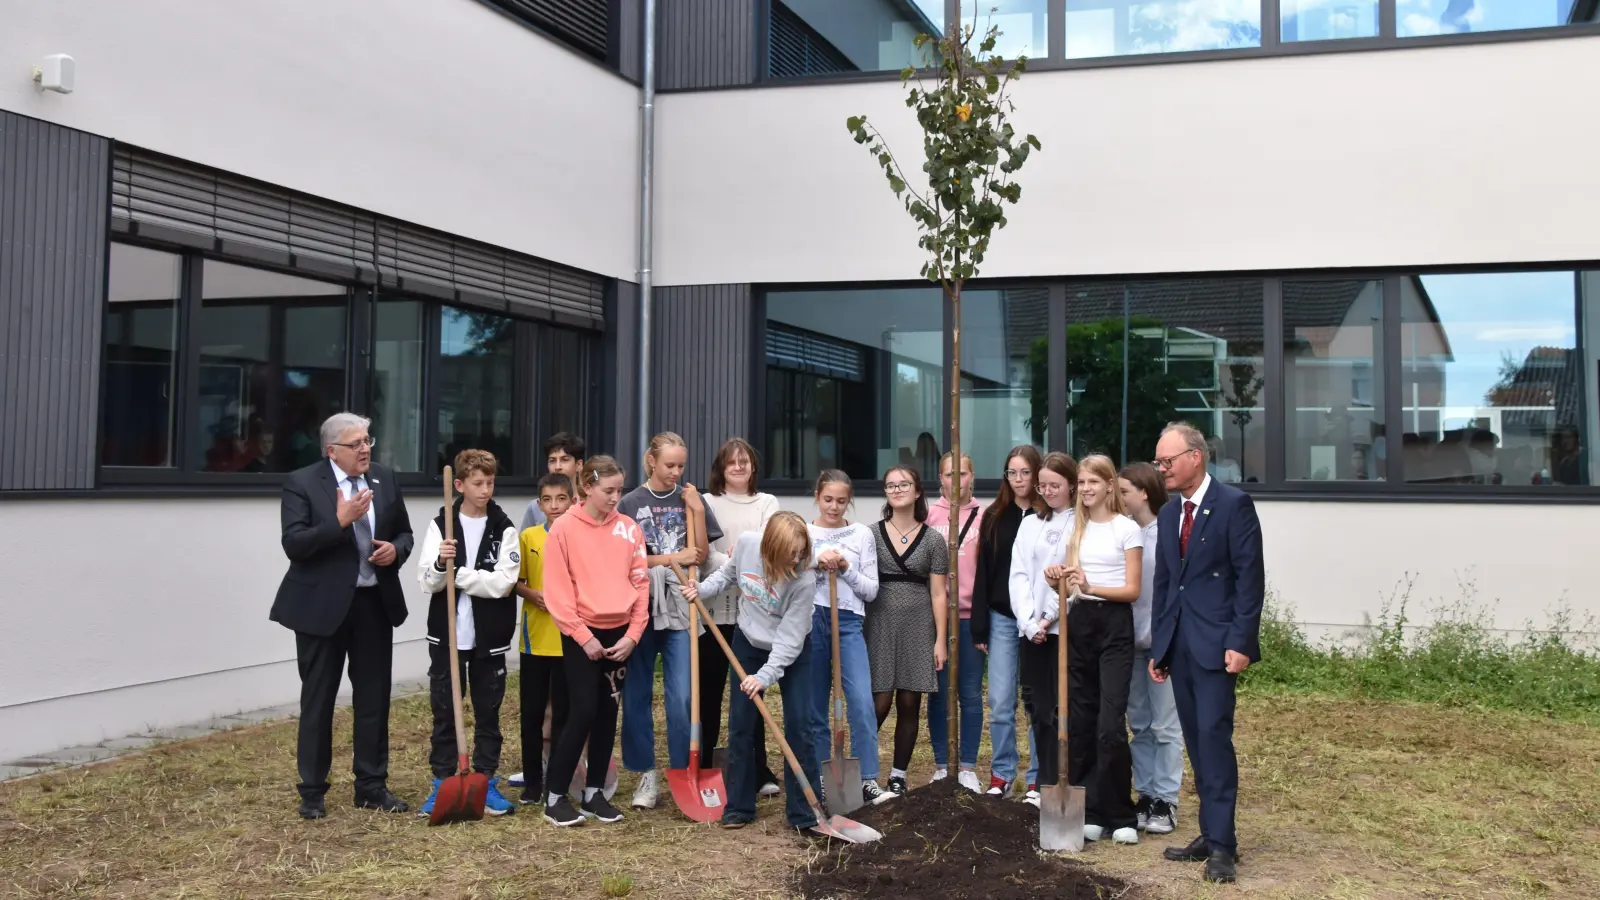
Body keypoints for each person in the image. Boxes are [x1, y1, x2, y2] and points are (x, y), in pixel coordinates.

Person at [271, 412, 413, 820]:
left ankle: (371, 785)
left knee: (374, 699)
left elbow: (404, 532)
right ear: (332, 450)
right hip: (321, 609)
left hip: (373, 604)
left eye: (368, 440)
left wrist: (395, 551)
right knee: (319, 700)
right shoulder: (302, 483)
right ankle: (313, 792)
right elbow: (294, 545)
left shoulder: (384, 478)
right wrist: (339, 522)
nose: (366, 448)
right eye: (356, 444)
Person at [1150, 421, 1266, 885]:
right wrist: (1161, 647)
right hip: (1180, 647)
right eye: (1159, 462)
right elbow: (1165, 584)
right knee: (1196, 743)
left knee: (1214, 740)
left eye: (1168, 461)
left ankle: (1223, 846)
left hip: (1218, 648)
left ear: (1196, 457)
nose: (1162, 470)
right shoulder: (1167, 514)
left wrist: (1241, 642)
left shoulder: (1234, 505)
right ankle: (1209, 831)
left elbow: (1249, 580)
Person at [680, 513, 818, 831]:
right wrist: (701, 589)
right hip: (747, 642)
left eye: (800, 552)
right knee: (741, 724)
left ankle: (802, 812)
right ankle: (740, 806)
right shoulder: (746, 546)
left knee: (800, 726)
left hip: (793, 651)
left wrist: (763, 677)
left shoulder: (804, 578)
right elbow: (729, 575)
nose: (796, 559)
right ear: (768, 549)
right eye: (789, 554)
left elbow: (789, 642)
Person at [616, 431, 723, 809]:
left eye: (681, 465)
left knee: (681, 696)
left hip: (681, 607)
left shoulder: (692, 498)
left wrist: (694, 509)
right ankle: (646, 775)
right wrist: (669, 559)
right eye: (669, 465)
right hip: (640, 608)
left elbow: (701, 554)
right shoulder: (629, 503)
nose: (676, 472)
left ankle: (683, 772)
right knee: (637, 695)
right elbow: (626, 561)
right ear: (651, 461)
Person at [541, 455, 648, 826]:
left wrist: (633, 635)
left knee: (607, 712)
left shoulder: (630, 530)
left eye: (620, 490)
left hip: (620, 634)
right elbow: (556, 591)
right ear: (587, 486)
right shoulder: (564, 529)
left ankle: (594, 794)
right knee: (582, 710)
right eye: (608, 490)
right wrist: (583, 637)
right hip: (580, 633)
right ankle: (554, 795)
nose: (616, 497)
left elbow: (641, 583)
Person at [416, 449, 521, 818]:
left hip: (488, 636)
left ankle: (486, 780)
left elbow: (503, 584)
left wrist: (456, 574)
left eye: (490, 483)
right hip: (447, 634)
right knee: (444, 709)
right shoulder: (441, 523)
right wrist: (438, 564)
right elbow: (427, 582)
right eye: (478, 483)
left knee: (488, 709)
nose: (486, 490)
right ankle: (443, 782)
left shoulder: (503, 527)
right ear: (459, 485)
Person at [1055, 454, 1143, 845]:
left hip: (1115, 625)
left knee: (1110, 726)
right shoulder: (1076, 528)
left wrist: (1091, 588)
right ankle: (1090, 810)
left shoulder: (1127, 529)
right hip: (1081, 623)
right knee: (1082, 720)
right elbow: (1070, 586)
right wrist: (1057, 579)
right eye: (1083, 482)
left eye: (1094, 481)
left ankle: (1120, 812)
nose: (1087, 488)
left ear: (1110, 485)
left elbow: (1132, 589)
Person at [807, 470, 893, 808]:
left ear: (850, 500)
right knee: (815, 703)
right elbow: (791, 575)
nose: (834, 507)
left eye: (841, 501)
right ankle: (822, 780)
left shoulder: (861, 534)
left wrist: (844, 568)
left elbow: (871, 591)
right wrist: (816, 561)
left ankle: (867, 778)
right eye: (828, 499)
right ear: (817, 496)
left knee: (860, 700)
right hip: (812, 619)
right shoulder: (805, 531)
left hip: (849, 621)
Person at [702, 437, 782, 797]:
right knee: (709, 694)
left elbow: (768, 550)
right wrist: (734, 562)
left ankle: (758, 768)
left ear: (753, 466)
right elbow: (705, 554)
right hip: (713, 612)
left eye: (744, 461)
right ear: (721, 467)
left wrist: (737, 559)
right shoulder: (706, 503)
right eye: (731, 462)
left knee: (751, 692)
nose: (738, 467)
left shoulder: (767, 504)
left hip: (754, 613)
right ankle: (704, 765)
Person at [867, 466, 949, 798]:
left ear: (917, 491)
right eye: (891, 485)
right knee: (879, 700)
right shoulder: (870, 534)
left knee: (910, 700)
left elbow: (939, 593)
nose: (897, 489)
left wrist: (940, 639)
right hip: (878, 623)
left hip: (919, 624)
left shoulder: (934, 539)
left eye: (904, 484)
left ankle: (898, 775)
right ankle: (864, 771)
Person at [972, 445, 1044, 799]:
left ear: (1038, 474)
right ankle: (1001, 774)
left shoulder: (1050, 517)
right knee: (1000, 700)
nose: (1018, 480)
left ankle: (1036, 778)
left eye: (1025, 473)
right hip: (1001, 618)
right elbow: (983, 573)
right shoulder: (995, 516)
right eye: (1011, 473)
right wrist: (979, 624)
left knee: (1035, 700)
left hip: (1038, 622)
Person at [1009, 451, 1077, 810]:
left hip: (1062, 629)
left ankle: (1060, 777)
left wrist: (1050, 616)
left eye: (1056, 485)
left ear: (1071, 485)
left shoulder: (1080, 523)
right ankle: (1042, 780)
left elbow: (1073, 572)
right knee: (1036, 705)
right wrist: (1028, 621)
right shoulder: (1031, 523)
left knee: (1061, 707)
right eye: (1044, 485)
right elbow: (1018, 574)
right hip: (1031, 629)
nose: (1048, 491)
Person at [1118, 462, 1182, 836]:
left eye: (1125, 491)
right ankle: (1145, 794)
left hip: (1162, 646)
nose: (1120, 497)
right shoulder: (1124, 531)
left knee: (1166, 725)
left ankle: (1166, 799)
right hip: (1130, 642)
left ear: (1144, 492)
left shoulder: (1167, 532)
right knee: (1139, 724)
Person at [513, 473, 576, 807]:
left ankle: (557, 780)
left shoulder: (581, 537)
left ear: (573, 500)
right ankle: (532, 782)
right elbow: (516, 581)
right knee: (532, 714)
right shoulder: (529, 536)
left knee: (565, 713)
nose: (554, 506)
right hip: (535, 639)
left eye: (561, 499)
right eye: (548, 500)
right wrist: (532, 594)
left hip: (569, 639)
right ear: (539, 504)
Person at [925, 450, 985, 792]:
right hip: (936, 618)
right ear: (941, 479)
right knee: (939, 693)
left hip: (969, 617)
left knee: (970, 693)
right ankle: (940, 763)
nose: (956, 481)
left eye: (962, 474)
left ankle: (967, 766)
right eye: (949, 474)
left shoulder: (983, 515)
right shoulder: (929, 515)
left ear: (972, 477)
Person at [521, 433, 587, 530]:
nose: (557, 467)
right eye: (552, 461)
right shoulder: (535, 507)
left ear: (578, 464)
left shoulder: (590, 505)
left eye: (564, 460)